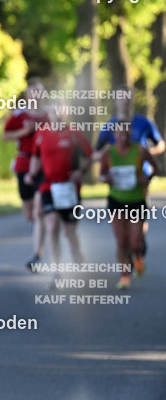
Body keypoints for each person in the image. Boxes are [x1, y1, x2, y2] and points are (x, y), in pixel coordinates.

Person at [94, 86, 165, 265]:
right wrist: (106, 166)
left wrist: (148, 152)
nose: (124, 101)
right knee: (122, 224)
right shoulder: (109, 126)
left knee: (138, 216)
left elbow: (160, 145)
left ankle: (138, 240)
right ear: (116, 100)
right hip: (118, 179)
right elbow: (96, 152)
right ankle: (128, 251)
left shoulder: (144, 122)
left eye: (127, 97)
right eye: (120, 97)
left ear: (132, 99)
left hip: (141, 177)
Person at [26, 102, 91, 280]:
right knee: (52, 224)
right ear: (49, 114)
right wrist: (31, 174)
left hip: (69, 187)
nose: (57, 114)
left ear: (67, 113)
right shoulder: (41, 133)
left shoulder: (74, 133)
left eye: (61, 111)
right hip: (48, 187)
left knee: (70, 231)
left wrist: (81, 171)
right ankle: (56, 270)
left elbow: (89, 156)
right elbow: (36, 157)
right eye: (54, 111)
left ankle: (76, 252)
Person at [99, 123, 158, 288]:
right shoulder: (108, 152)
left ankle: (138, 257)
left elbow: (156, 168)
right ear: (114, 135)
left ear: (130, 134)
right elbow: (101, 175)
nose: (123, 138)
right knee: (121, 242)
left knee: (135, 243)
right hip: (116, 200)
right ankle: (124, 276)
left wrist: (148, 177)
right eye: (119, 134)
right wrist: (106, 179)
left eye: (126, 134)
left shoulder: (139, 150)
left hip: (136, 200)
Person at [2, 81, 48, 269]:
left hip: (44, 164)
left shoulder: (48, 115)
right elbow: (5, 136)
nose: (35, 96)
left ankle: (38, 251)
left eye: (39, 93)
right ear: (28, 95)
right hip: (24, 162)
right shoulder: (19, 114)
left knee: (39, 209)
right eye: (32, 92)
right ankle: (35, 223)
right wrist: (24, 131)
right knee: (28, 210)